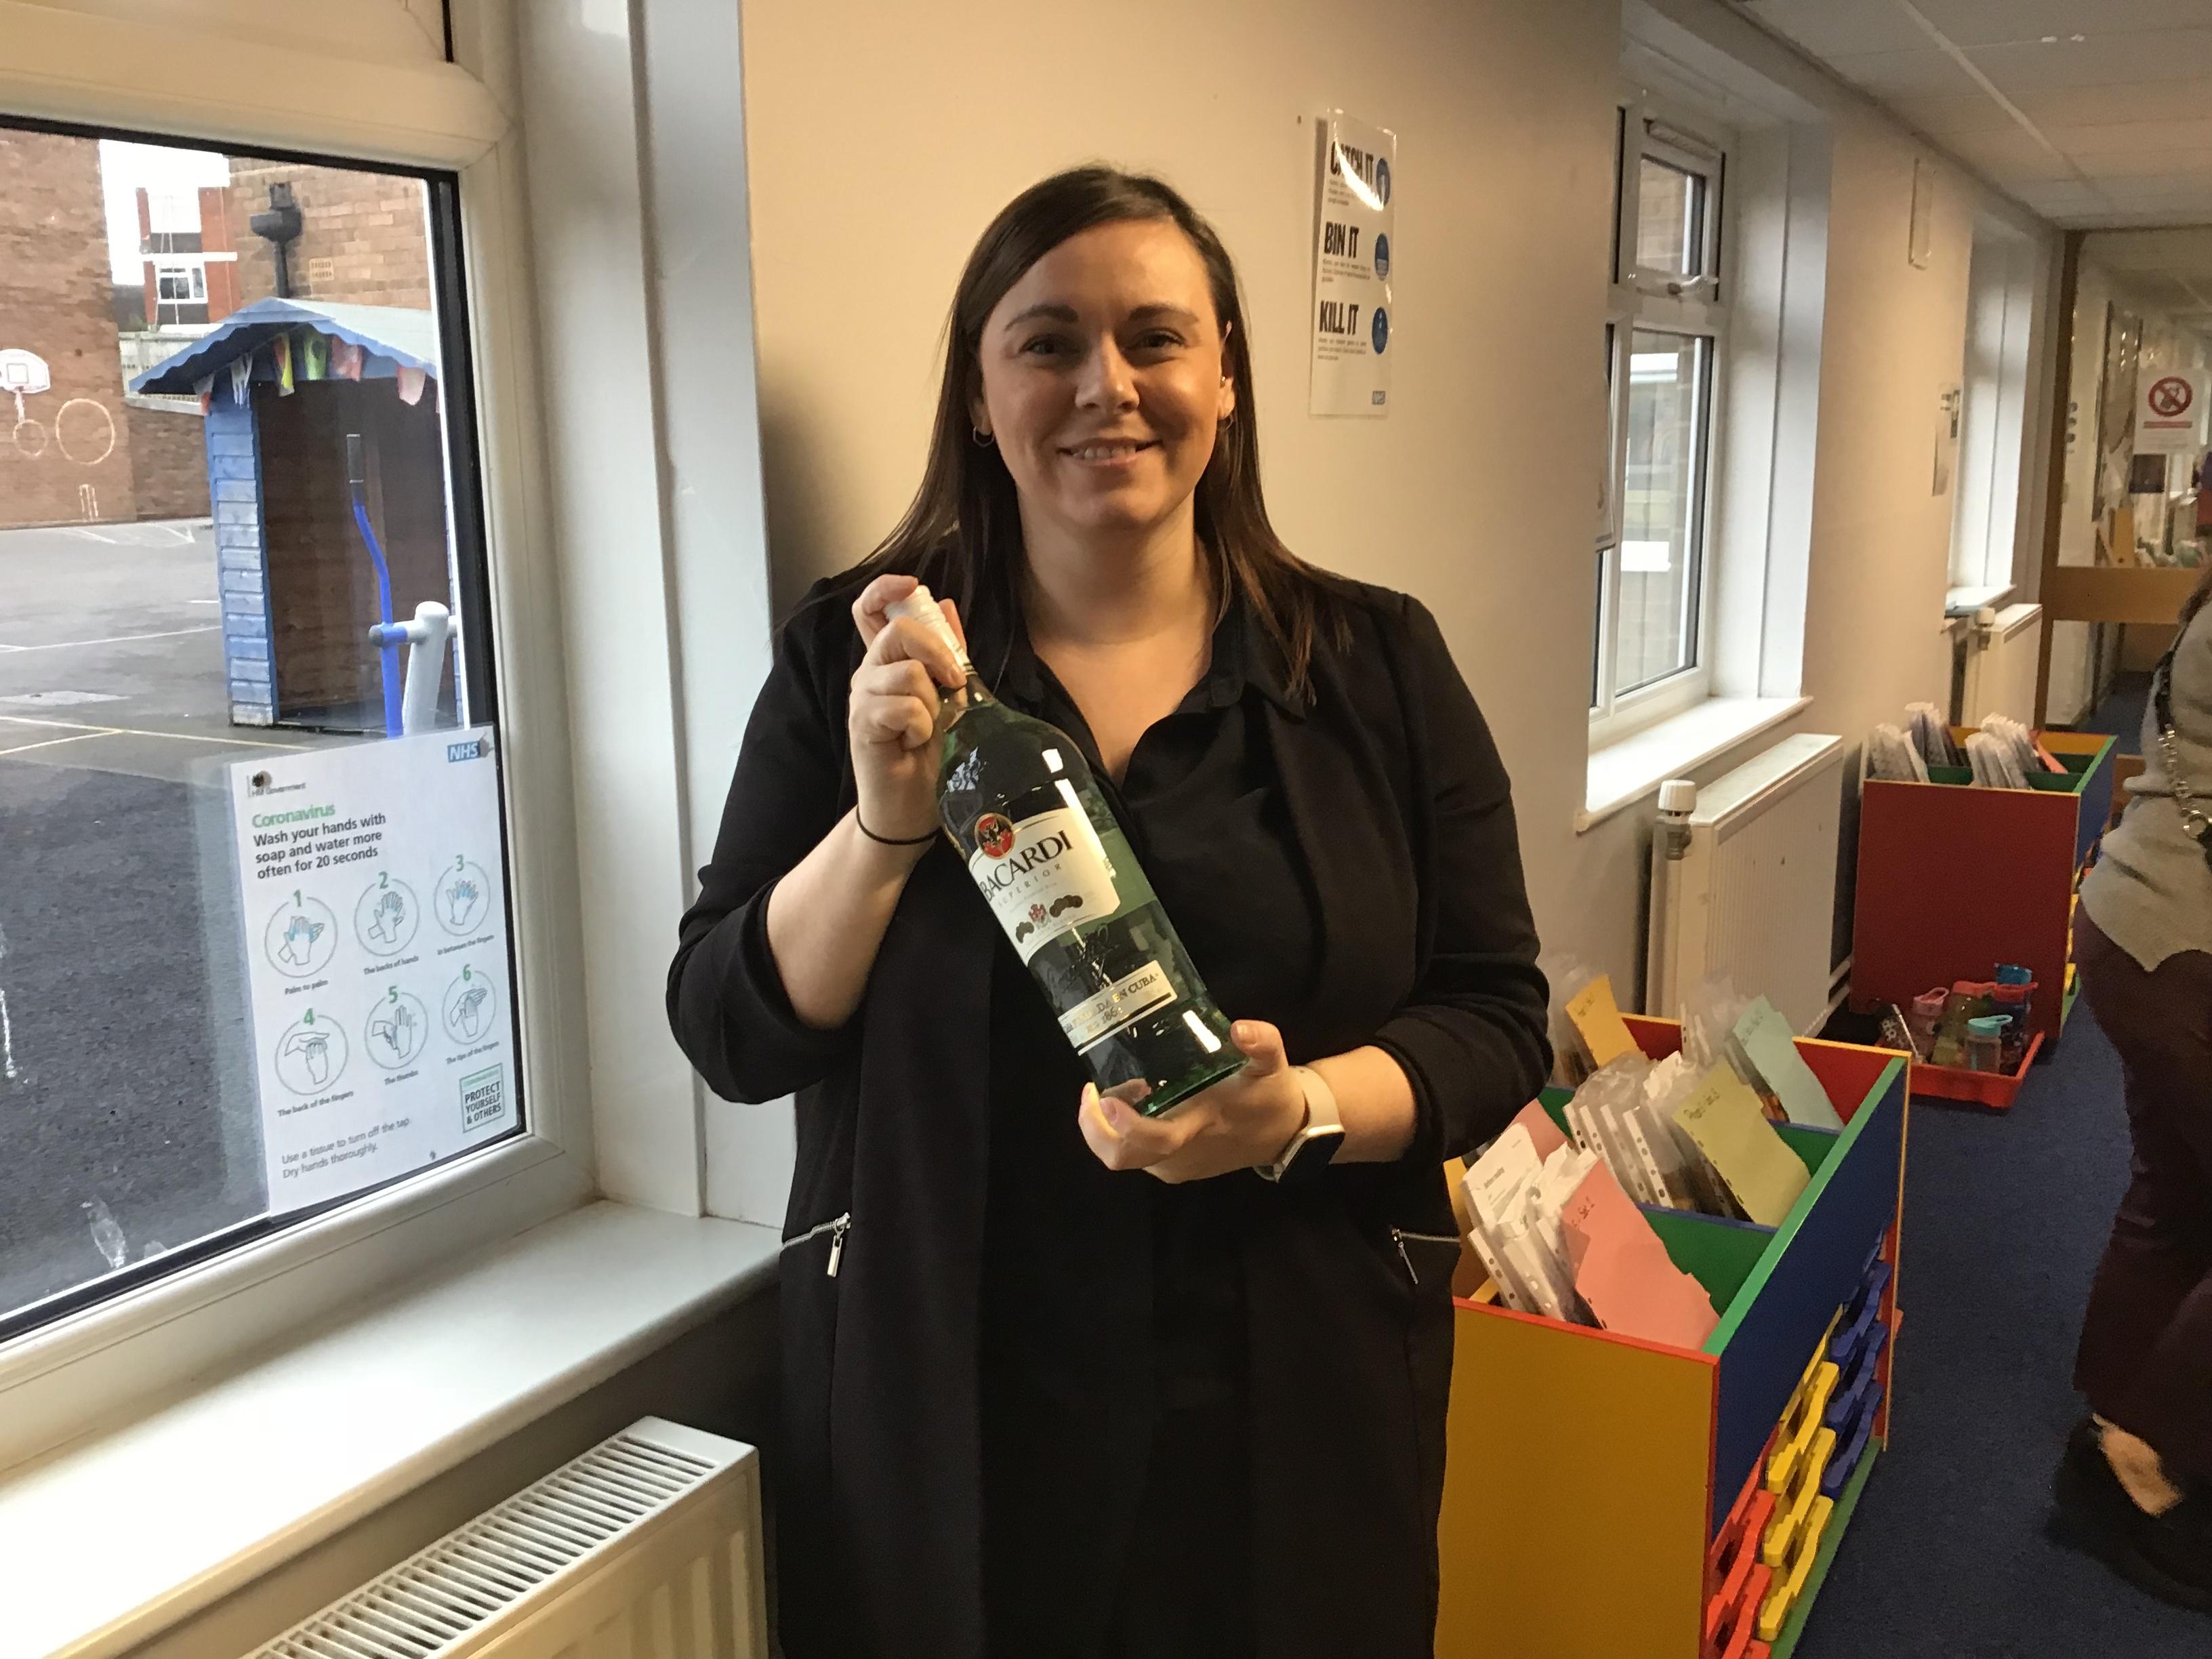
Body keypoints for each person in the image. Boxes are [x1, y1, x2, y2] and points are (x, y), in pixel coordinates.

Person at [666, 167, 1550, 1659]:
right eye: (1049, 343)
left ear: (1227, 376)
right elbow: (728, 1033)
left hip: (1293, 1387)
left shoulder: (1379, 668)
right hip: (952, 1402)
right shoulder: (853, 664)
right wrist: (884, 828)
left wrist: (1296, 1112)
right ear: (977, 393)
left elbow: (1496, 1018)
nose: (1107, 388)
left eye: (1155, 338)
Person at [2057, 560, 2212, 1613]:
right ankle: (2142, 1460)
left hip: (2144, 927)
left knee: (2177, 1191)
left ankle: (2118, 1418)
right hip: (2181, 949)